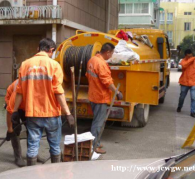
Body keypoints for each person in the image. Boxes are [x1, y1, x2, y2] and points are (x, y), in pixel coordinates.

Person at [12, 38, 74, 166]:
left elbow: (19, 91)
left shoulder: (25, 64)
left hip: (32, 113)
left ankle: (31, 175)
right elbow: (58, 92)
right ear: (51, 50)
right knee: (55, 146)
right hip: (51, 113)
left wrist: (14, 111)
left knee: (32, 146)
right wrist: (68, 113)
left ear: (38, 49)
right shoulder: (54, 65)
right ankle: (54, 173)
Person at [86, 43, 123, 154]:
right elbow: (107, 81)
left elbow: (88, 76)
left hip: (93, 95)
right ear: (107, 52)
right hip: (100, 97)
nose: (111, 56)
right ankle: (94, 147)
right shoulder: (101, 64)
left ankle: (96, 142)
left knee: (96, 121)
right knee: (98, 123)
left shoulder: (92, 60)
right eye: (111, 54)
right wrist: (117, 92)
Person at [5, 79, 45, 167]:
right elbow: (10, 112)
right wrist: (10, 130)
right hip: (15, 105)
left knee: (32, 128)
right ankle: (18, 156)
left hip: (26, 106)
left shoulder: (38, 89)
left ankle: (32, 154)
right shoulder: (17, 93)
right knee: (15, 129)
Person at [177, 49, 195, 118]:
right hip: (184, 83)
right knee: (182, 97)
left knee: (193, 98)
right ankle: (179, 106)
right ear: (186, 55)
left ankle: (193, 112)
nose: (191, 57)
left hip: (193, 83)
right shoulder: (183, 61)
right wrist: (193, 59)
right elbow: (185, 66)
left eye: (192, 55)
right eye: (190, 56)